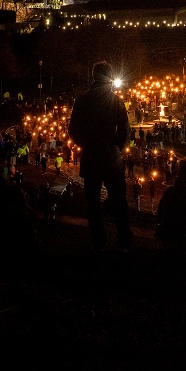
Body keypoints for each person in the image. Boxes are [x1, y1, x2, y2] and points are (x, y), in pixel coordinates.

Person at [68, 61, 132, 252]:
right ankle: (124, 240)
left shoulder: (82, 101)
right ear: (110, 78)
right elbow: (125, 130)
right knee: (119, 200)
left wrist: (86, 144)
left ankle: (98, 241)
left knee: (93, 202)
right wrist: (117, 146)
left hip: (91, 157)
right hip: (111, 157)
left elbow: (73, 130)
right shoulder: (116, 102)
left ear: (93, 76)